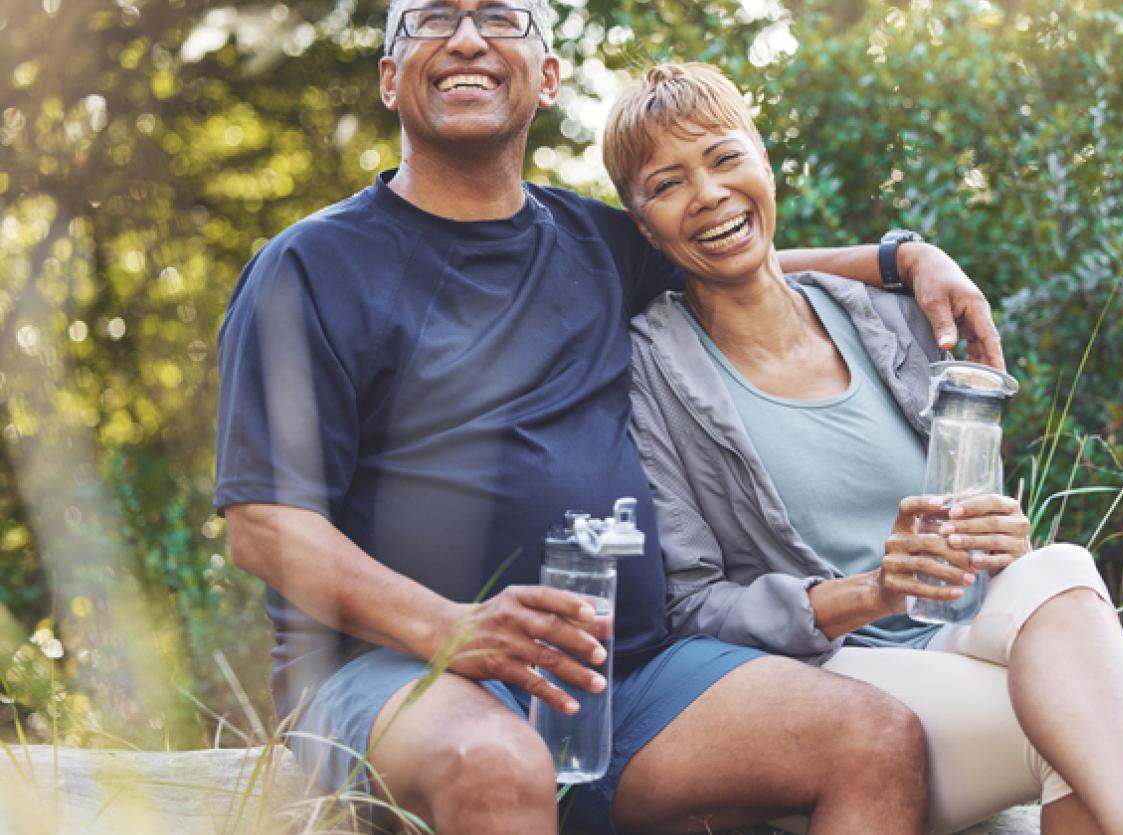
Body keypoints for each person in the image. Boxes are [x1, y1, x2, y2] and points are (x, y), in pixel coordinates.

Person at [214, 2, 1008, 833]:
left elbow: (736, 259)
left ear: (549, 78)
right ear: (389, 79)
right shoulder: (309, 267)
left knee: (872, 736)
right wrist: (456, 629)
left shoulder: (592, 243)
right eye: (431, 20)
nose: (467, 38)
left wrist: (904, 257)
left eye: (499, 17)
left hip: (624, 675)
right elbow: (264, 526)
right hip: (398, 671)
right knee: (498, 765)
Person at [606, 63, 1123, 835]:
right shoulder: (650, 369)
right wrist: (874, 589)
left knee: (1063, 568)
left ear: (763, 161)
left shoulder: (890, 318)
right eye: (669, 183)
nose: (709, 193)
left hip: (964, 631)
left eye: (723, 157)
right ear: (644, 226)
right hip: (829, 674)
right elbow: (693, 605)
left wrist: (999, 541)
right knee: (1076, 734)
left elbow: (975, 528)